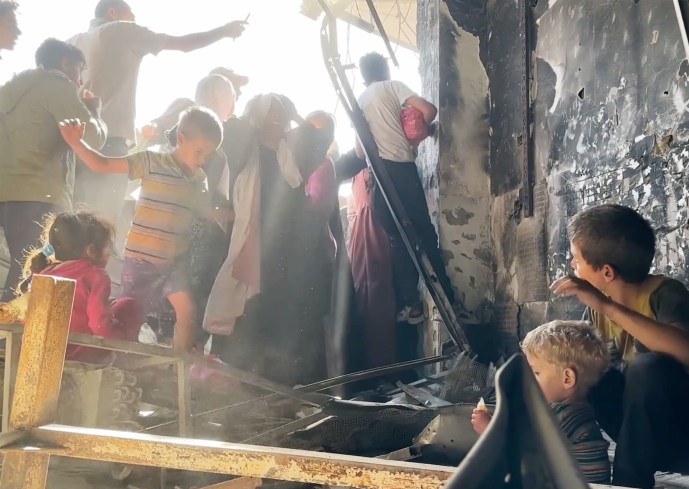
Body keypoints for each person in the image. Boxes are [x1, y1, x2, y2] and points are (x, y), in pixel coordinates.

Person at [551, 204, 689, 489]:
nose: (572, 266)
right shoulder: (597, 311)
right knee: (583, 371)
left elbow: (687, 357)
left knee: (649, 366)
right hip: (645, 441)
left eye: (576, 259)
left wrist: (606, 305)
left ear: (607, 272)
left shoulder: (665, 294)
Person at [58, 107, 225, 353]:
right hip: (141, 261)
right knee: (130, 314)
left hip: (173, 262)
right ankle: (121, 360)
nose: (202, 160)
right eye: (199, 151)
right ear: (181, 139)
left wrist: (237, 217)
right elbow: (102, 164)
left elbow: (205, 212)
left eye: (208, 155)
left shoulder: (199, 179)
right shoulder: (151, 161)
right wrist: (77, 142)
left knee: (187, 311)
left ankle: (177, 367)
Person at [68, 0, 247, 224]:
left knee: (66, 222)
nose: (134, 20)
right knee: (99, 227)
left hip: (71, 143)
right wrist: (224, 30)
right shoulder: (121, 30)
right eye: (131, 15)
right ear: (112, 13)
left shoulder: (72, 43)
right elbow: (183, 45)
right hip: (109, 142)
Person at [204, 94, 331, 384]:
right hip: (248, 242)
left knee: (278, 312)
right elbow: (233, 129)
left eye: (281, 112)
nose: (276, 117)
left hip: (285, 249)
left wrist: (294, 113)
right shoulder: (242, 150)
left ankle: (276, 385)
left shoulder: (294, 154)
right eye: (269, 112)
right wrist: (258, 116)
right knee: (244, 314)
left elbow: (321, 137)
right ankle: (235, 384)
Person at [0, 38, 106, 301]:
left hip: (7, 190)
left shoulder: (12, 89)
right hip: (37, 194)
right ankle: (8, 339)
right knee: (30, 269)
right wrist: (96, 114)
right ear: (65, 63)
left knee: (18, 264)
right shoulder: (57, 86)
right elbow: (92, 138)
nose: (80, 81)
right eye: (81, 70)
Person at [355, 51, 453, 324]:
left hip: (379, 178)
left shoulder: (359, 101)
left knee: (398, 241)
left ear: (364, 76)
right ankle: (449, 299)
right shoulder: (392, 86)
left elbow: (360, 151)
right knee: (424, 233)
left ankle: (413, 306)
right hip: (401, 169)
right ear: (384, 69)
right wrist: (422, 130)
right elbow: (429, 110)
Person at [471, 320, 611, 484]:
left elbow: (520, 455)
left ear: (567, 378)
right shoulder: (573, 411)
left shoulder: (565, 417)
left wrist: (488, 430)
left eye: (536, 372)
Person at [18, 211, 140, 362]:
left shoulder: (43, 272)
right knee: (127, 305)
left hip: (35, 356)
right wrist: (123, 341)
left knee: (112, 305)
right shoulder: (94, 275)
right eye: (108, 247)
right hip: (74, 354)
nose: (110, 254)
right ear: (91, 250)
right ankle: (130, 359)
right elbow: (100, 326)